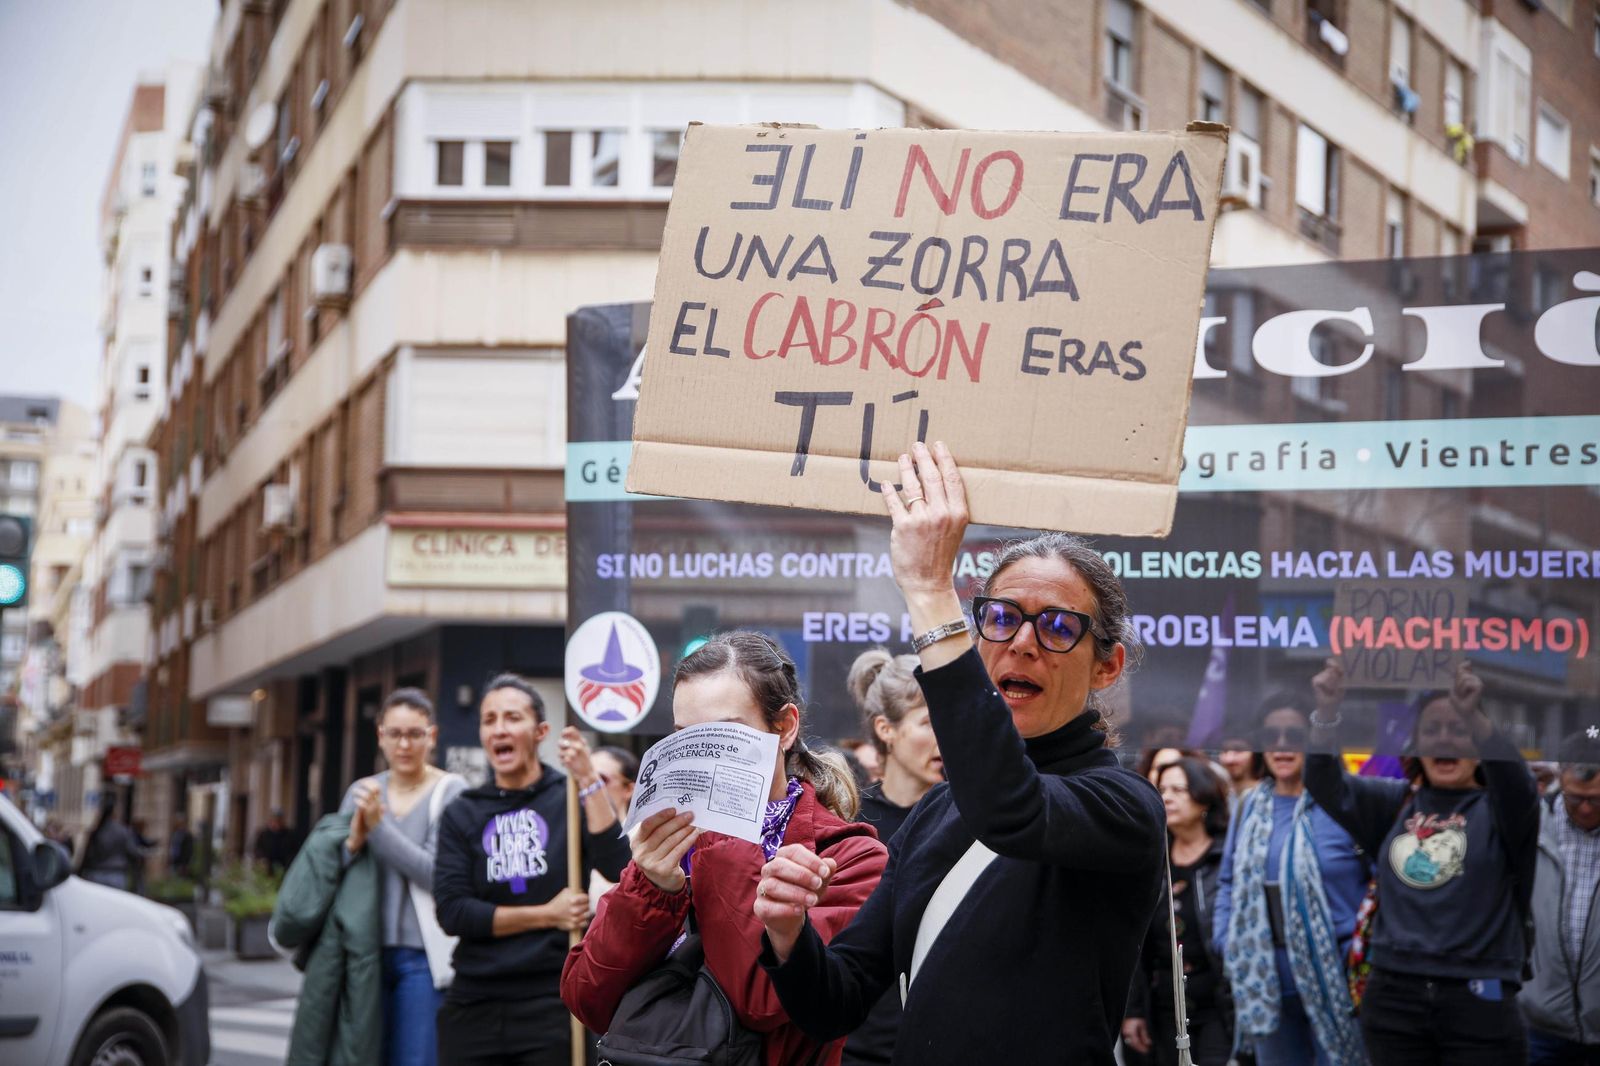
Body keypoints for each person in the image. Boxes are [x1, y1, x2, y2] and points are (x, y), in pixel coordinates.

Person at [753, 441, 1166, 1065]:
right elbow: (835, 1002)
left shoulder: (1124, 805)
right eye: (1000, 617)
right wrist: (787, 935)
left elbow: (1011, 810)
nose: (1023, 643)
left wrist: (927, 590)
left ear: (1107, 667)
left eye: (1057, 627)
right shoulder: (938, 811)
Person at [562, 631, 888, 1066]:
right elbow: (586, 997)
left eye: (723, 737)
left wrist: (724, 830)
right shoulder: (669, 844)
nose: (701, 757)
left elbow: (764, 1003)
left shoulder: (847, 855)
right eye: (685, 738)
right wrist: (651, 889)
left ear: (784, 727)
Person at [1305, 659, 1540, 1066]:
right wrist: (1326, 711)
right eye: (1432, 730)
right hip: (1395, 1001)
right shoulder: (1393, 803)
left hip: (1479, 1003)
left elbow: (1515, 778)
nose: (1445, 739)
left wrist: (1476, 715)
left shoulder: (1505, 810)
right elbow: (1325, 782)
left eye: (1459, 729)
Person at [432, 673, 630, 1065]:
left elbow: (617, 865)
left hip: (552, 1000)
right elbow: (453, 912)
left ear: (540, 731)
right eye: (489, 720)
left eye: (512, 717)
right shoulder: (462, 811)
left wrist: (588, 778)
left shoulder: (569, 798)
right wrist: (546, 915)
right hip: (474, 1001)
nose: (499, 729)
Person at [1213, 690, 1371, 1066]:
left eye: (1295, 736)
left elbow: (1380, 888)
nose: (1282, 747)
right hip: (1265, 980)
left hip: (1338, 979)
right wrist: (1226, 940)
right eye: (1271, 736)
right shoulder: (1250, 805)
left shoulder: (1348, 801)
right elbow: (1228, 882)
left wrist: (1361, 954)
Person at [339, 688, 467, 1066]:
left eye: (415, 733)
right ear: (380, 736)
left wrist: (377, 829)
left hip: (423, 959)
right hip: (363, 953)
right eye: (395, 734)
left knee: (416, 1058)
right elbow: (335, 872)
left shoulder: (451, 791)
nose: (405, 744)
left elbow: (436, 873)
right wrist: (352, 844)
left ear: (433, 735)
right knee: (363, 1057)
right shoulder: (361, 793)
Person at [841, 648, 944, 1066]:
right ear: (886, 729)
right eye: (929, 723)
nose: (947, 737)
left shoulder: (971, 819)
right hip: (857, 1045)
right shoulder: (849, 820)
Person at [1125, 757, 1234, 1066]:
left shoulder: (1226, 856)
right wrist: (1133, 1011)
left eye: (1178, 789)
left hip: (1218, 1005)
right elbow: (1134, 943)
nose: (1167, 797)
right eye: (1162, 789)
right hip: (1163, 1009)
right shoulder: (1150, 859)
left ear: (1203, 798)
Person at [1522, 730, 1600, 1065]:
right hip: (1540, 1026)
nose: (1585, 809)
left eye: (1597, 800)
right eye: (1575, 797)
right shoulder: (1533, 828)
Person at [586, 746, 640, 910]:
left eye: (600, 780)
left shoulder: (643, 838)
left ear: (629, 789)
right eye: (584, 780)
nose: (590, 788)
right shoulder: (570, 835)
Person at [78, 795, 146, 890]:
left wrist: (80, 873)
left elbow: (87, 855)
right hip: (116, 876)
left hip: (95, 875)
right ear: (115, 812)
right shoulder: (123, 832)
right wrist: (138, 882)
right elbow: (132, 854)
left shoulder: (97, 831)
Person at [1217, 731, 1266, 814]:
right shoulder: (1219, 796)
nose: (1229, 759)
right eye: (1224, 751)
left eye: (1238, 751)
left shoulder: (1266, 797)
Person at [253, 808, 297, 874]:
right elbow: (257, 849)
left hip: (283, 869)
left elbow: (293, 851)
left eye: (279, 820)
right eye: (274, 820)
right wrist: (262, 859)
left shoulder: (289, 835)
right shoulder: (263, 834)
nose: (276, 823)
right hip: (267, 869)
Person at [168, 814, 196, 878]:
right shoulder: (176, 833)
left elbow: (189, 850)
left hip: (182, 861)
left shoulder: (187, 835)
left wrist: (185, 863)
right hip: (174, 859)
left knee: (181, 876)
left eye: (181, 823)